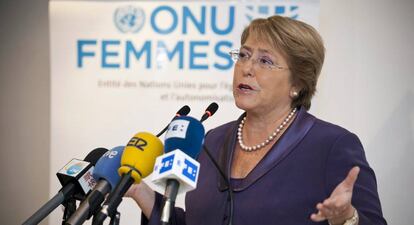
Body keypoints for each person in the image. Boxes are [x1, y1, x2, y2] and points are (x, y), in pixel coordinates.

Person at [125, 15, 387, 225]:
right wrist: (141, 192)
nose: (247, 68)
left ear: (297, 82)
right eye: (244, 55)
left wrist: (347, 219)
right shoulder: (210, 141)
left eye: (265, 60)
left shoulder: (331, 146)